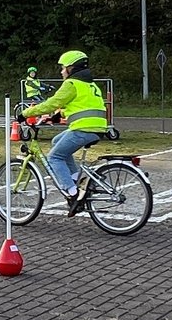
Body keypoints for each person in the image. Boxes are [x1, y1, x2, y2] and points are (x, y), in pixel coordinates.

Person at [19, 50, 109, 214]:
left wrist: (25, 113)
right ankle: (76, 179)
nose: (61, 72)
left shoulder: (71, 84)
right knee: (57, 142)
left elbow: (52, 103)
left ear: (71, 68)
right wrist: (59, 115)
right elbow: (82, 105)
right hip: (98, 127)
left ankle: (73, 194)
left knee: (54, 157)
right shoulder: (90, 84)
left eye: (63, 68)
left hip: (84, 128)